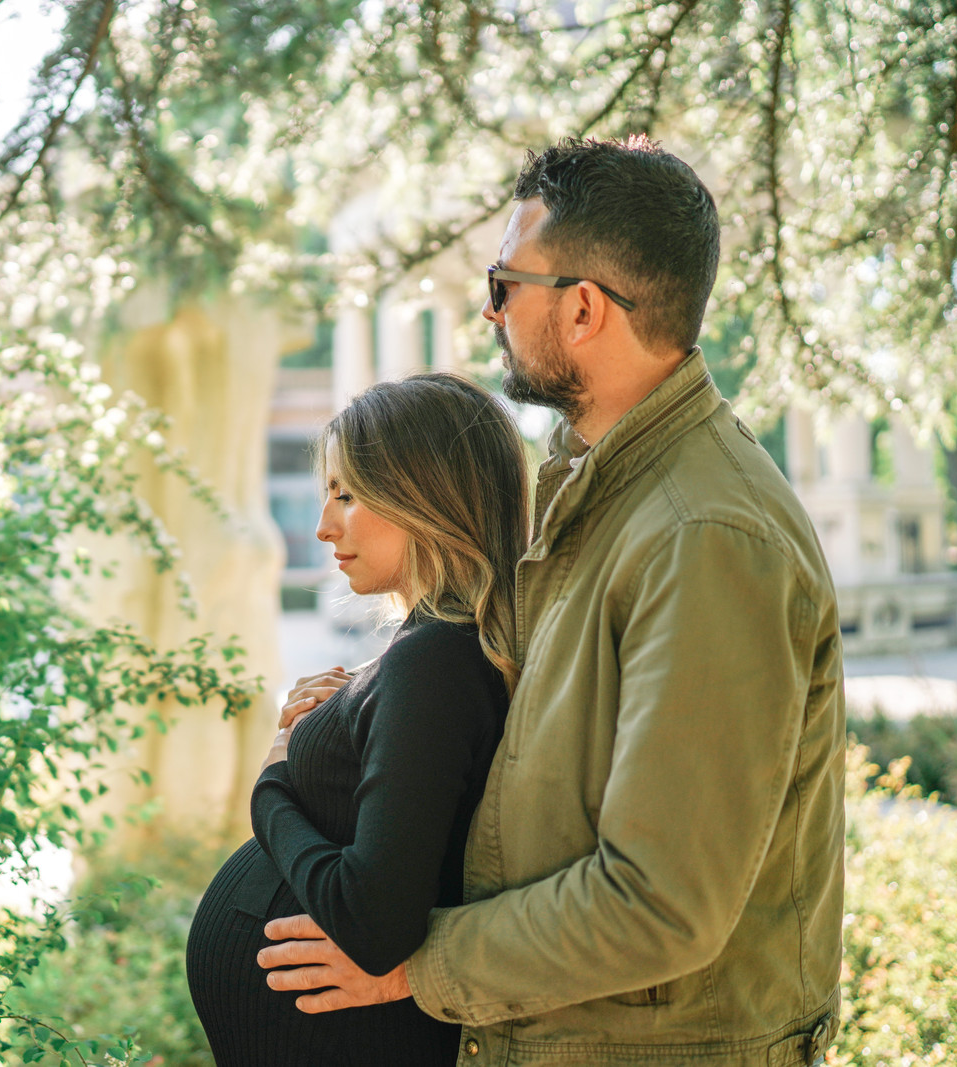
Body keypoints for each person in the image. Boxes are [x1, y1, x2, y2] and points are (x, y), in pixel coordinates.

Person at [256, 136, 847, 1067]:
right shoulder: (600, 496)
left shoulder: (704, 536)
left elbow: (659, 903)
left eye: (505, 283)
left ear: (580, 308)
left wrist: (418, 968)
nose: (490, 311)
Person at [185, 372, 531, 1065]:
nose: (323, 523)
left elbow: (373, 920)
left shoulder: (435, 660)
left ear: (423, 494)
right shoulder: (435, 648)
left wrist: (273, 785)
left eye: (348, 493)